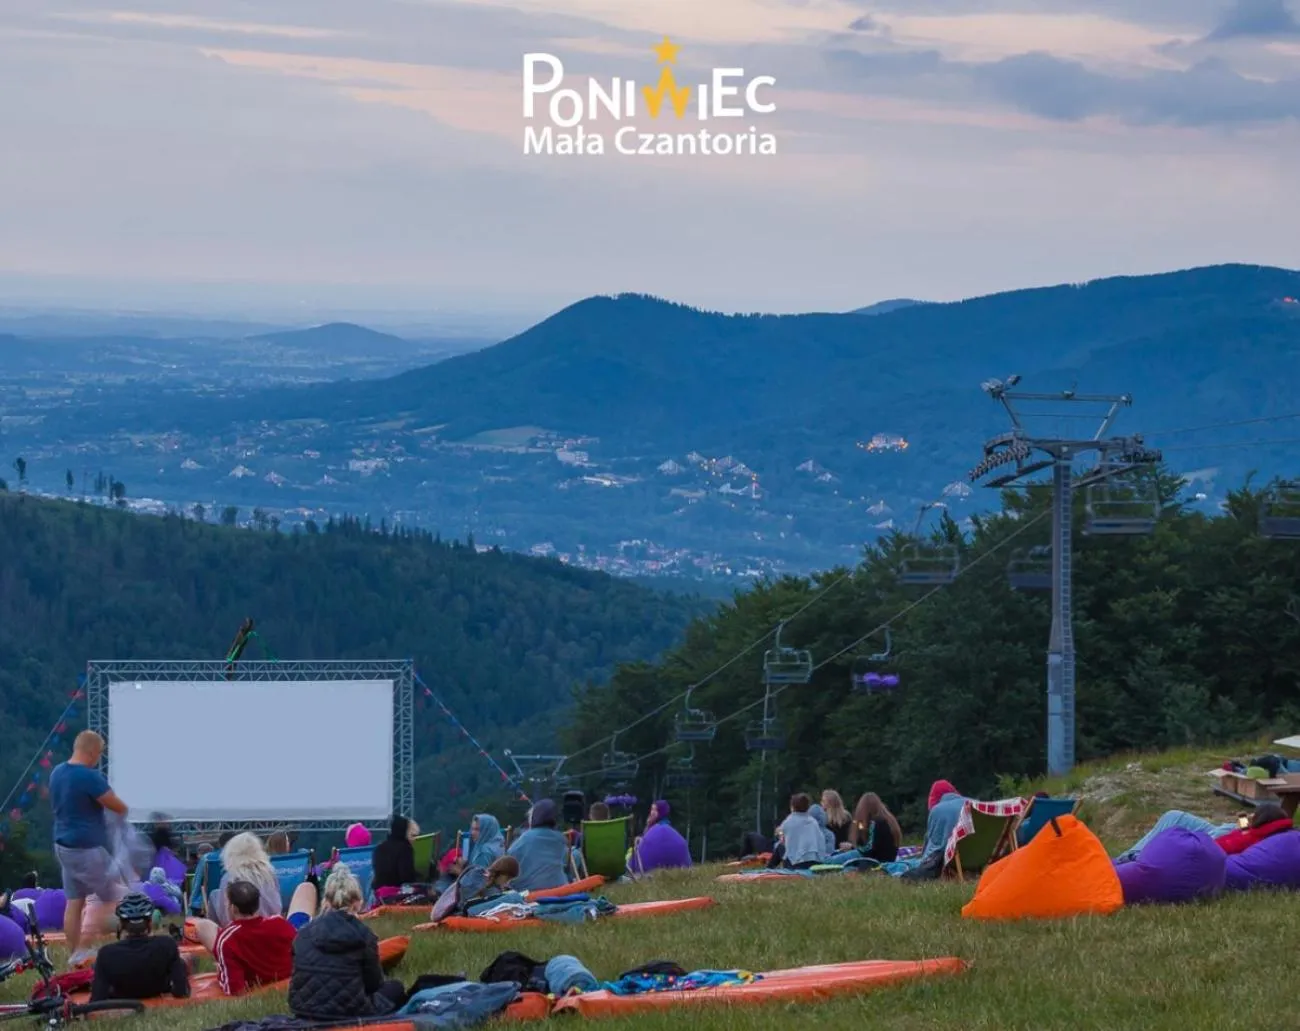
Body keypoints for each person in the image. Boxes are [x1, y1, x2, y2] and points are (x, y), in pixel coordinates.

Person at [50, 730, 130, 965]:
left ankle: (74, 953)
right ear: (93, 751)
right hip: (87, 847)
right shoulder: (89, 777)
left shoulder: (57, 773)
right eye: (100, 753)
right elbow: (118, 806)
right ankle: (83, 949)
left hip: (63, 846)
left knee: (75, 900)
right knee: (110, 897)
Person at [288, 864, 404, 1021]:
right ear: (358, 903)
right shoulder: (364, 935)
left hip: (303, 1010)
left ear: (326, 901)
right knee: (395, 987)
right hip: (351, 1012)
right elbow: (373, 985)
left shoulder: (303, 933)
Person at [213, 880, 317, 996]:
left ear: (233, 908)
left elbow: (235, 990)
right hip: (289, 977)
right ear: (257, 904)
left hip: (259, 983)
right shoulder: (279, 923)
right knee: (306, 888)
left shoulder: (227, 940)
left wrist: (220, 974)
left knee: (202, 925)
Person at [89, 892, 189, 1003]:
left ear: (121, 924)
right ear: (150, 923)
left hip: (121, 996)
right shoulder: (167, 945)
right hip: (157, 989)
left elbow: (97, 999)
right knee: (185, 961)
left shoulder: (106, 954)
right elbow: (181, 991)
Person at [207, 833, 282, 925]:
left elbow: (225, 916)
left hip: (239, 926)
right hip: (270, 923)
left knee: (214, 894)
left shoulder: (229, 878)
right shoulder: (270, 874)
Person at [507, 799, 572, 892]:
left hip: (528, 892)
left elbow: (511, 862)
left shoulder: (523, 840)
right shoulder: (560, 839)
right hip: (559, 888)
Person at [768, 794, 829, 869]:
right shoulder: (813, 822)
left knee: (780, 846)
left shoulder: (789, 821)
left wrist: (779, 832)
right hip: (815, 863)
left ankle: (769, 869)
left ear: (792, 807)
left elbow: (782, 839)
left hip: (796, 864)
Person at [630, 800, 691, 874]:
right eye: (651, 809)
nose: (651, 813)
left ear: (661, 812)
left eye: (654, 810)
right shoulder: (664, 828)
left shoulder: (660, 830)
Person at [848, 792, 902, 863]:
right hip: (888, 858)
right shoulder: (889, 820)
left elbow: (869, 849)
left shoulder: (876, 822)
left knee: (832, 860)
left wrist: (852, 847)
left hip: (876, 860)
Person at [372, 816, 421, 892]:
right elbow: (406, 878)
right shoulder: (405, 848)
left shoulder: (379, 848)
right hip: (398, 892)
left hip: (379, 893)